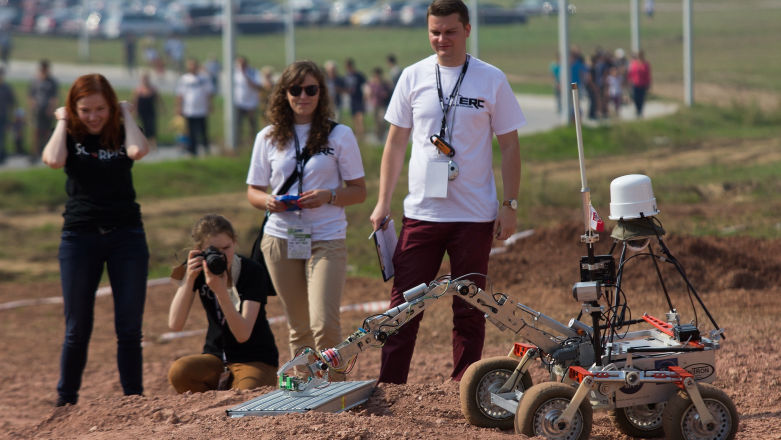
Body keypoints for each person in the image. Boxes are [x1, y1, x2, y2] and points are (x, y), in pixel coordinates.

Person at [369, 0, 525, 384]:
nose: (442, 39)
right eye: (435, 32)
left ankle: (464, 389)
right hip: (422, 214)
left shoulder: (491, 79)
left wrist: (510, 204)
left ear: (467, 30)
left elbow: (510, 146)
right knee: (403, 307)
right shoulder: (412, 76)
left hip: (474, 216)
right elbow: (394, 145)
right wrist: (382, 202)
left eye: (450, 31)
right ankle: (390, 388)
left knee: (470, 308)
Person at [246, 60, 366, 368]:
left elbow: (359, 191)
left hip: (327, 237)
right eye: (295, 89)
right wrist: (269, 201)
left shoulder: (340, 135)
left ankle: (335, 391)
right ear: (284, 94)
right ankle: (302, 393)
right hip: (281, 239)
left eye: (311, 89)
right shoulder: (268, 137)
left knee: (324, 325)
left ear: (321, 93)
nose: (303, 96)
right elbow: (253, 192)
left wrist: (330, 195)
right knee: (299, 329)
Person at [41, 73, 151, 406]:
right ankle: (66, 399)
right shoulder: (70, 134)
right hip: (80, 237)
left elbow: (138, 150)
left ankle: (133, 399)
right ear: (74, 108)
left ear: (110, 107)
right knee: (77, 327)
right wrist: (62, 121)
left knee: (129, 327)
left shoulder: (120, 130)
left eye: (100, 109)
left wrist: (126, 113)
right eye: (85, 109)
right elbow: (53, 160)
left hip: (126, 237)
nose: (93, 116)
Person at [167, 214, 279, 393]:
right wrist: (189, 279)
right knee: (180, 371)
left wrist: (221, 292)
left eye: (226, 248)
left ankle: (231, 385)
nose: (222, 256)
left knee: (245, 395)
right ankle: (222, 386)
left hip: (255, 358)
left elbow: (243, 334)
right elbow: (175, 324)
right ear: (200, 250)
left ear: (235, 242)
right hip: (216, 356)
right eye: (214, 250)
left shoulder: (251, 271)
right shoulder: (199, 271)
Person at [176, 58, 214, 156]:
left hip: (201, 109)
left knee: (203, 130)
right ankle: (192, 150)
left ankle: (206, 148)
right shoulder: (184, 79)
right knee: (191, 131)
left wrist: (210, 105)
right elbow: (180, 94)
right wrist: (179, 107)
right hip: (189, 109)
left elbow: (209, 92)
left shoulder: (204, 78)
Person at [29, 59, 59, 163]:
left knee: (47, 132)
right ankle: (35, 153)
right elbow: (31, 95)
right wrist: (33, 106)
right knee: (36, 132)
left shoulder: (52, 82)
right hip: (38, 110)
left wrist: (51, 109)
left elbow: (54, 97)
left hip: (47, 111)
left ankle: (46, 152)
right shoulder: (35, 81)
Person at [234, 56, 263, 146]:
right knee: (238, 124)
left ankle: (253, 143)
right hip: (239, 103)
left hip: (251, 104)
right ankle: (238, 143)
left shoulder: (253, 72)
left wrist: (246, 77)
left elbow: (258, 86)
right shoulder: (234, 73)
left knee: (252, 125)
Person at [132, 72, 163, 150]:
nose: (145, 80)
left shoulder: (153, 89)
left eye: (146, 79)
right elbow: (135, 101)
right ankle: (146, 145)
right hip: (142, 112)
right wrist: (135, 111)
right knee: (143, 128)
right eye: (143, 79)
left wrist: (162, 108)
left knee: (152, 127)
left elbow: (159, 100)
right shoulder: (138, 90)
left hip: (150, 111)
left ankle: (154, 144)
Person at [343, 58, 366, 140]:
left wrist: (365, 96)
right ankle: (357, 135)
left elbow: (365, 85)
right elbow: (345, 88)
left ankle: (362, 135)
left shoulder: (358, 75)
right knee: (354, 118)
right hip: (352, 100)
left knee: (360, 118)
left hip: (359, 99)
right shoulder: (346, 76)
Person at [367, 67, 391, 142]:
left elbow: (389, 92)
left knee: (383, 121)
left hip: (383, 104)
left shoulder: (385, 83)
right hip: (375, 104)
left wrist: (383, 94)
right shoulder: (372, 83)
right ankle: (378, 136)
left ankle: (382, 135)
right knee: (376, 121)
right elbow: (369, 93)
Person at [627, 50, 652, 117]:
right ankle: (637, 109)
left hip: (643, 83)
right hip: (635, 83)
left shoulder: (646, 64)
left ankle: (640, 111)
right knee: (635, 97)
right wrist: (629, 81)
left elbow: (648, 74)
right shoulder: (633, 64)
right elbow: (630, 73)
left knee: (641, 98)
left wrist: (648, 84)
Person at [0, 67, 16, 164]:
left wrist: (11, 117)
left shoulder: (7, 88)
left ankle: (2, 154)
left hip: (3, 116)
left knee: (2, 136)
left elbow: (12, 103)